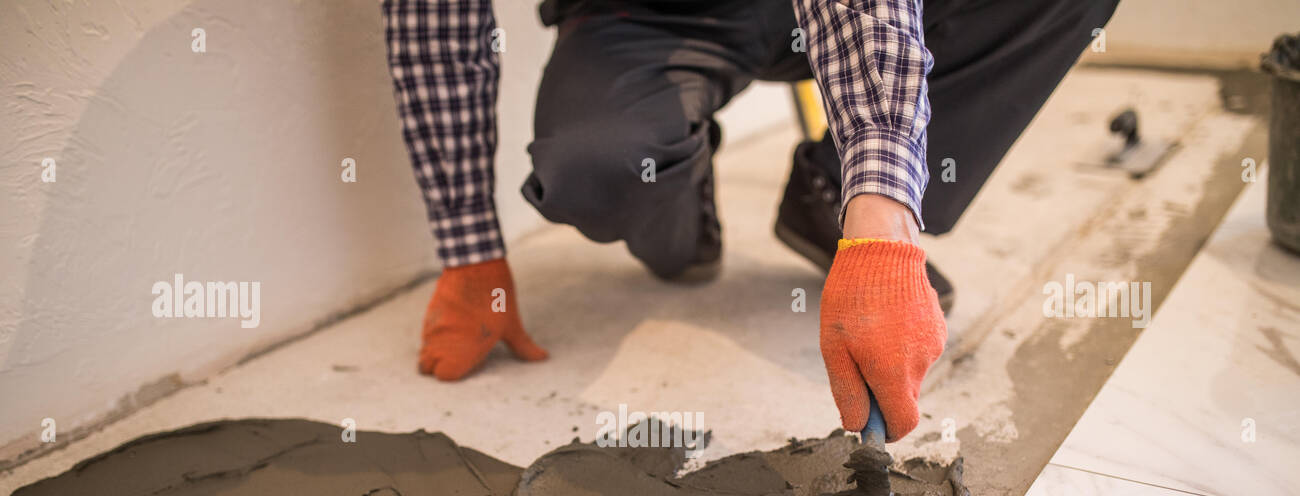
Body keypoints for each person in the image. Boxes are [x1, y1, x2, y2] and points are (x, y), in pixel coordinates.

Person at [382, 0, 1118, 440]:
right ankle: (678, 177)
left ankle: (830, 195)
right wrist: (469, 246)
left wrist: (882, 214)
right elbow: (434, 18)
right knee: (595, 167)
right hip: (640, 16)